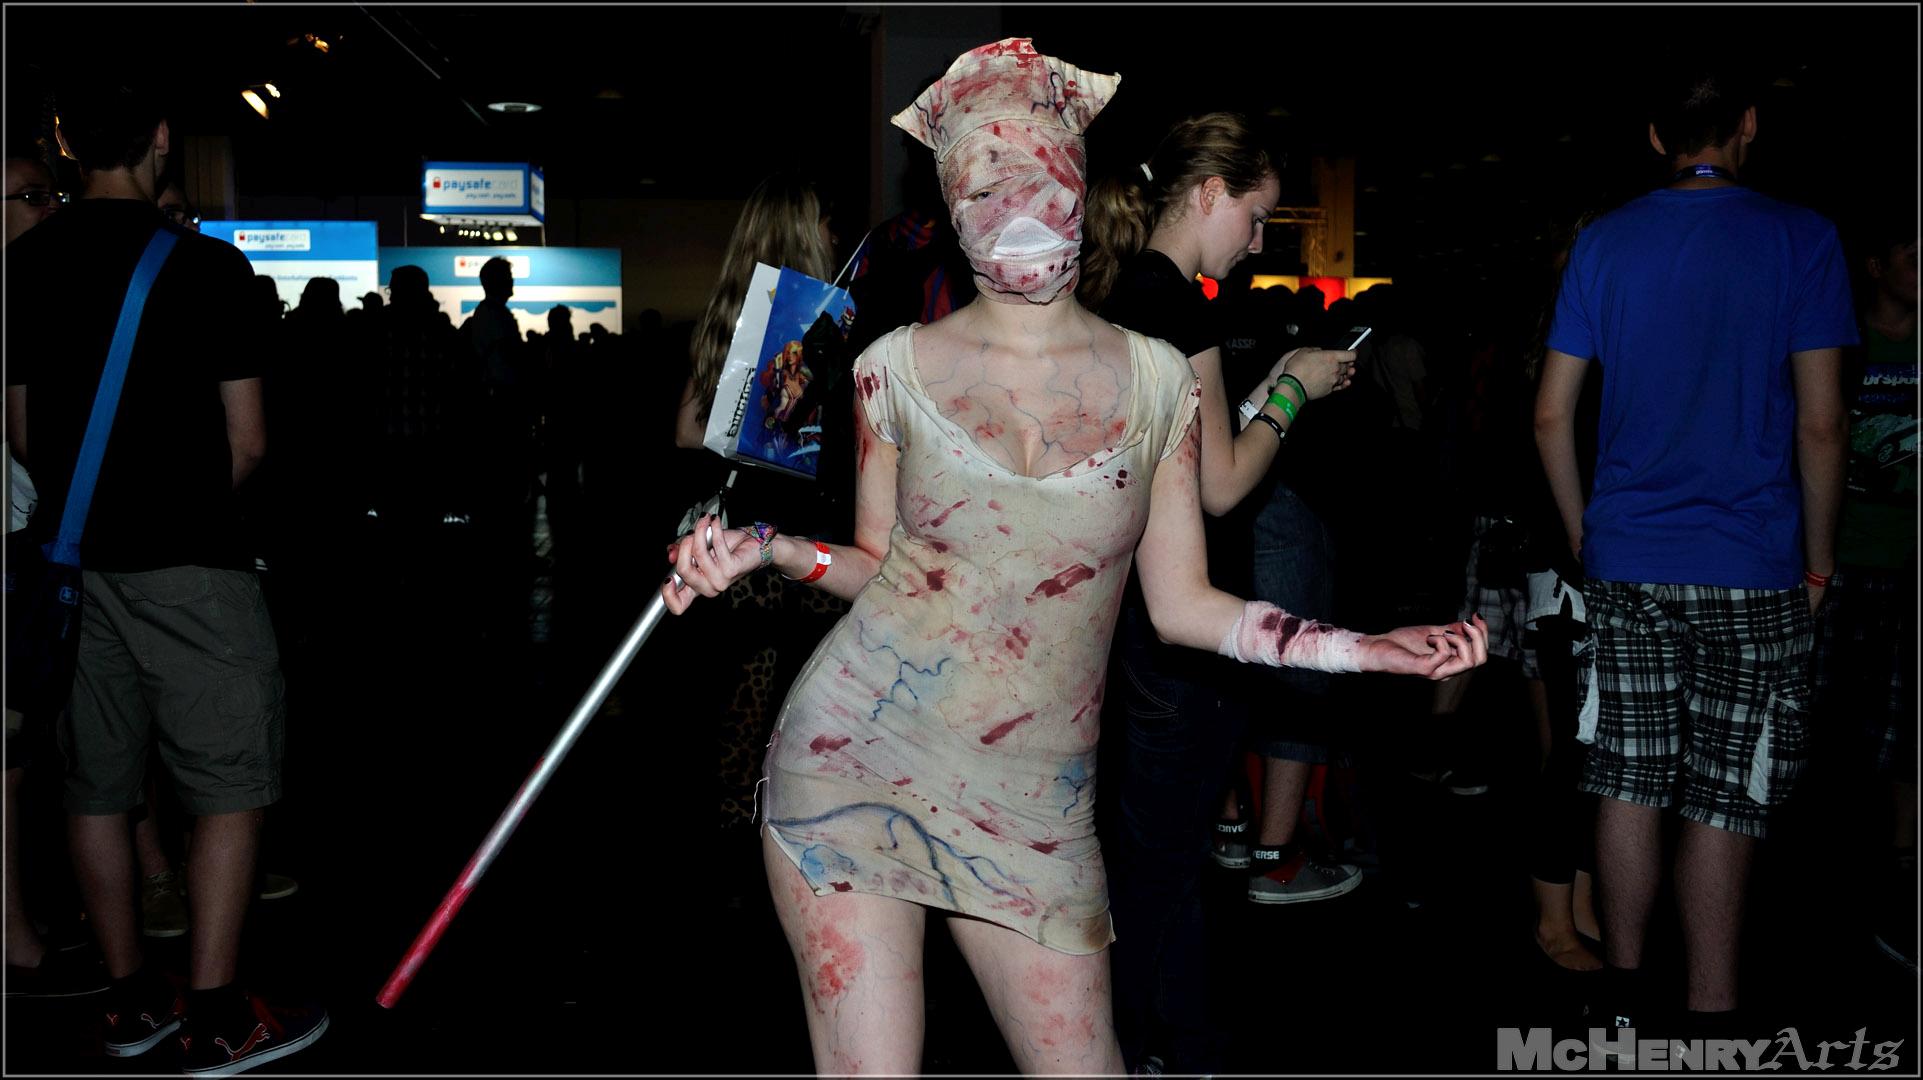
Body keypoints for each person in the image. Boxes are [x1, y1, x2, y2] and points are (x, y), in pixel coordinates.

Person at [661, 38, 1487, 1073]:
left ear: (1079, 181)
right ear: (951, 204)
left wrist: (1364, 651)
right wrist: (775, 550)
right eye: (984, 181)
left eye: (1036, 171)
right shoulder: (889, 370)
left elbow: (1185, 606)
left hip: (1032, 809)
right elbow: (881, 566)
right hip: (852, 767)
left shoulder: (1157, 380)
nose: (1014, 203)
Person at [4, 76, 328, 1072]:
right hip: (191, 563)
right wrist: (175, 503)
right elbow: (249, 440)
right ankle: (217, 1013)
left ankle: (130, 999)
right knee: (228, 782)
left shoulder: (24, 264)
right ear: (159, 139)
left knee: (96, 787)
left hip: (74, 566)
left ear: (67, 146)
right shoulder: (208, 268)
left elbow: (21, 434)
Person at [1533, 59, 1855, 1044]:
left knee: (1625, 778)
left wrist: (1586, 529)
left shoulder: (1604, 241)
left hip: (1628, 554)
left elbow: (1549, 415)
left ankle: (1624, 1000)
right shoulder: (1803, 237)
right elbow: (1821, 425)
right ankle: (1711, 1018)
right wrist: (1818, 562)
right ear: (1748, 125)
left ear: (1653, 136)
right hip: (1753, 561)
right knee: (1726, 794)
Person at [1075, 111, 1357, 1073]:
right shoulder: (1177, 308)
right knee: (1156, 866)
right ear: (1208, 194)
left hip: (1127, 620)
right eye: (1256, 215)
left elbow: (1174, 459)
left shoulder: (1120, 292)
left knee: (1155, 854)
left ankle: (1173, 1040)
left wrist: (1263, 386)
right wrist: (1294, 392)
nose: (1258, 240)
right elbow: (1222, 485)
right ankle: (1122, 1048)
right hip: (1181, 634)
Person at [665, 172, 854, 835]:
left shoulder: (727, 312)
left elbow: (685, 431)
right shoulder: (826, 324)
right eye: (825, 220)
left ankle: (736, 818)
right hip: (804, 537)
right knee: (806, 691)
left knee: (746, 694)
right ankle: (787, 821)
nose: (834, 234)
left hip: (741, 533)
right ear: (805, 229)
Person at [3, 151, 107, 999]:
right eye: (33, 194)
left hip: (25, 534)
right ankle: (13, 940)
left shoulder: (30, 290)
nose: (51, 207)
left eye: (54, 193)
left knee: (21, 748)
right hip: (11, 536)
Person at [1817, 219, 1917, 972]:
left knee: (1909, 721)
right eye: (1916, 257)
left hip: (1912, 563)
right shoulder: (1842, 343)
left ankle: (1902, 865)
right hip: (1842, 560)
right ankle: (1821, 867)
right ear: (1877, 266)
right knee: (1827, 720)